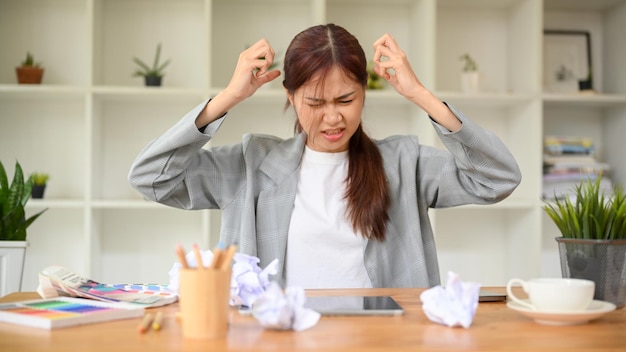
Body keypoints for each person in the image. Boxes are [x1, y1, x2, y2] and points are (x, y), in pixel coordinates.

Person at [128, 24, 521, 289]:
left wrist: (421, 94)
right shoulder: (250, 164)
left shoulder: (403, 162)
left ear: (364, 93)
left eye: (346, 100)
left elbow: (497, 178)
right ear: (290, 97)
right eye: (315, 102)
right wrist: (228, 98)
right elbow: (151, 178)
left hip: (383, 342)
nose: (333, 117)